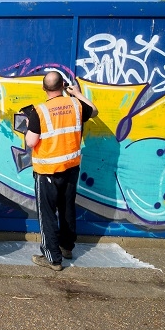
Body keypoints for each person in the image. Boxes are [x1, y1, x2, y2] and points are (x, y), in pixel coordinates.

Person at [24, 71, 98, 271]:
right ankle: (66, 247)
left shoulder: (39, 111)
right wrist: (77, 93)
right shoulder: (75, 105)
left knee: (47, 214)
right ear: (63, 85)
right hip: (70, 168)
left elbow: (31, 141)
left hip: (47, 171)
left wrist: (27, 131)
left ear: (43, 88)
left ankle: (53, 258)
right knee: (67, 208)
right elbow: (94, 111)